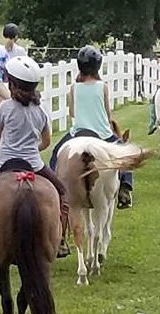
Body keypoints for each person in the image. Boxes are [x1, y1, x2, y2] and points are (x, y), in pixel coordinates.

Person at [0, 55, 70, 259]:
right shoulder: (41, 110)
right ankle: (61, 240)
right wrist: (31, 149)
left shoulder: (5, 107)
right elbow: (46, 141)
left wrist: (8, 148)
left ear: (11, 84)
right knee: (62, 193)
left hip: (2, 161)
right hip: (33, 163)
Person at [48, 45, 133, 209]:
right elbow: (108, 114)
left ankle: (54, 187)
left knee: (55, 155)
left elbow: (72, 113)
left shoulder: (74, 87)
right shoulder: (103, 86)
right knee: (124, 153)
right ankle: (125, 189)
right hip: (102, 133)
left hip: (78, 133)